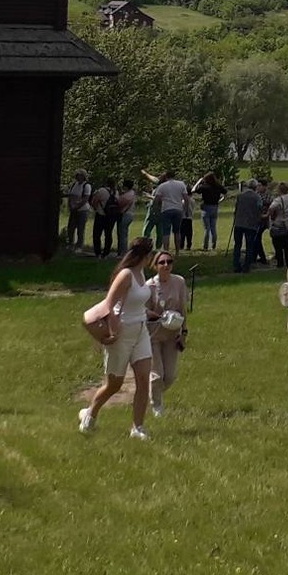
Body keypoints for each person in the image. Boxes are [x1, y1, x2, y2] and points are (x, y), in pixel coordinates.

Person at [79, 239, 158, 440]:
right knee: (114, 384)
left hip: (140, 332)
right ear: (144, 256)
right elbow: (109, 305)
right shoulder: (126, 275)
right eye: (150, 255)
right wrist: (111, 333)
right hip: (122, 334)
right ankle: (90, 413)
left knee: (143, 380)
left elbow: (136, 303)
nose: (152, 259)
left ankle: (137, 428)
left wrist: (152, 313)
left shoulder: (141, 273)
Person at [146, 250, 189, 417]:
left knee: (169, 376)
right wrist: (156, 315)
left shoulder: (179, 282)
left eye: (169, 262)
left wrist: (184, 331)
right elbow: (143, 310)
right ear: (155, 266)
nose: (166, 265)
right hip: (153, 335)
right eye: (162, 262)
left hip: (172, 335)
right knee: (157, 375)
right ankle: (156, 406)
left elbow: (182, 309)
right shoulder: (150, 286)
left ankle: (151, 391)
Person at [230, 177, 265, 273]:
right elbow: (259, 209)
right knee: (249, 246)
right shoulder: (257, 197)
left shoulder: (240, 195)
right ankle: (246, 266)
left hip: (239, 223)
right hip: (251, 224)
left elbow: (236, 208)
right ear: (255, 187)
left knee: (237, 245)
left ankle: (236, 265)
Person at [149, 170, 190, 249]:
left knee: (166, 232)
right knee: (177, 232)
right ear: (174, 176)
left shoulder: (162, 186)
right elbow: (186, 198)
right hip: (178, 209)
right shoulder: (181, 184)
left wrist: (154, 210)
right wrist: (186, 210)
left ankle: (166, 250)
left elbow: (156, 199)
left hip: (166, 209)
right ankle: (177, 250)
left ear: (166, 177)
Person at [267, 182, 288, 271]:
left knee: (277, 245)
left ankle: (280, 263)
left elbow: (271, 208)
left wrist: (271, 215)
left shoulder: (278, 200)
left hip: (279, 224)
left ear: (279, 190)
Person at [193, 170, 226, 253]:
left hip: (206, 207)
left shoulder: (204, 187)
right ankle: (213, 244)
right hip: (215, 207)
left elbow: (193, 190)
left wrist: (198, 182)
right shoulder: (218, 186)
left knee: (206, 228)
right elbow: (225, 193)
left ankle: (205, 246)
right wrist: (220, 200)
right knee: (213, 227)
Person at [63, 170, 93, 252]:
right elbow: (70, 196)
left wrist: (77, 206)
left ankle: (79, 246)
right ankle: (70, 244)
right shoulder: (74, 184)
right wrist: (70, 205)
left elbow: (85, 198)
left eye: (80, 175)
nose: (79, 177)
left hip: (82, 210)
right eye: (77, 175)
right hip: (73, 209)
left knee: (80, 229)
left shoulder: (86, 186)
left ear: (84, 176)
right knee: (71, 228)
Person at [89, 179, 115, 257]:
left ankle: (98, 252)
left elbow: (94, 202)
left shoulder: (101, 191)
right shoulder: (115, 192)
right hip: (111, 216)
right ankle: (106, 252)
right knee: (108, 234)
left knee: (97, 234)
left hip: (101, 214)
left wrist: (95, 209)